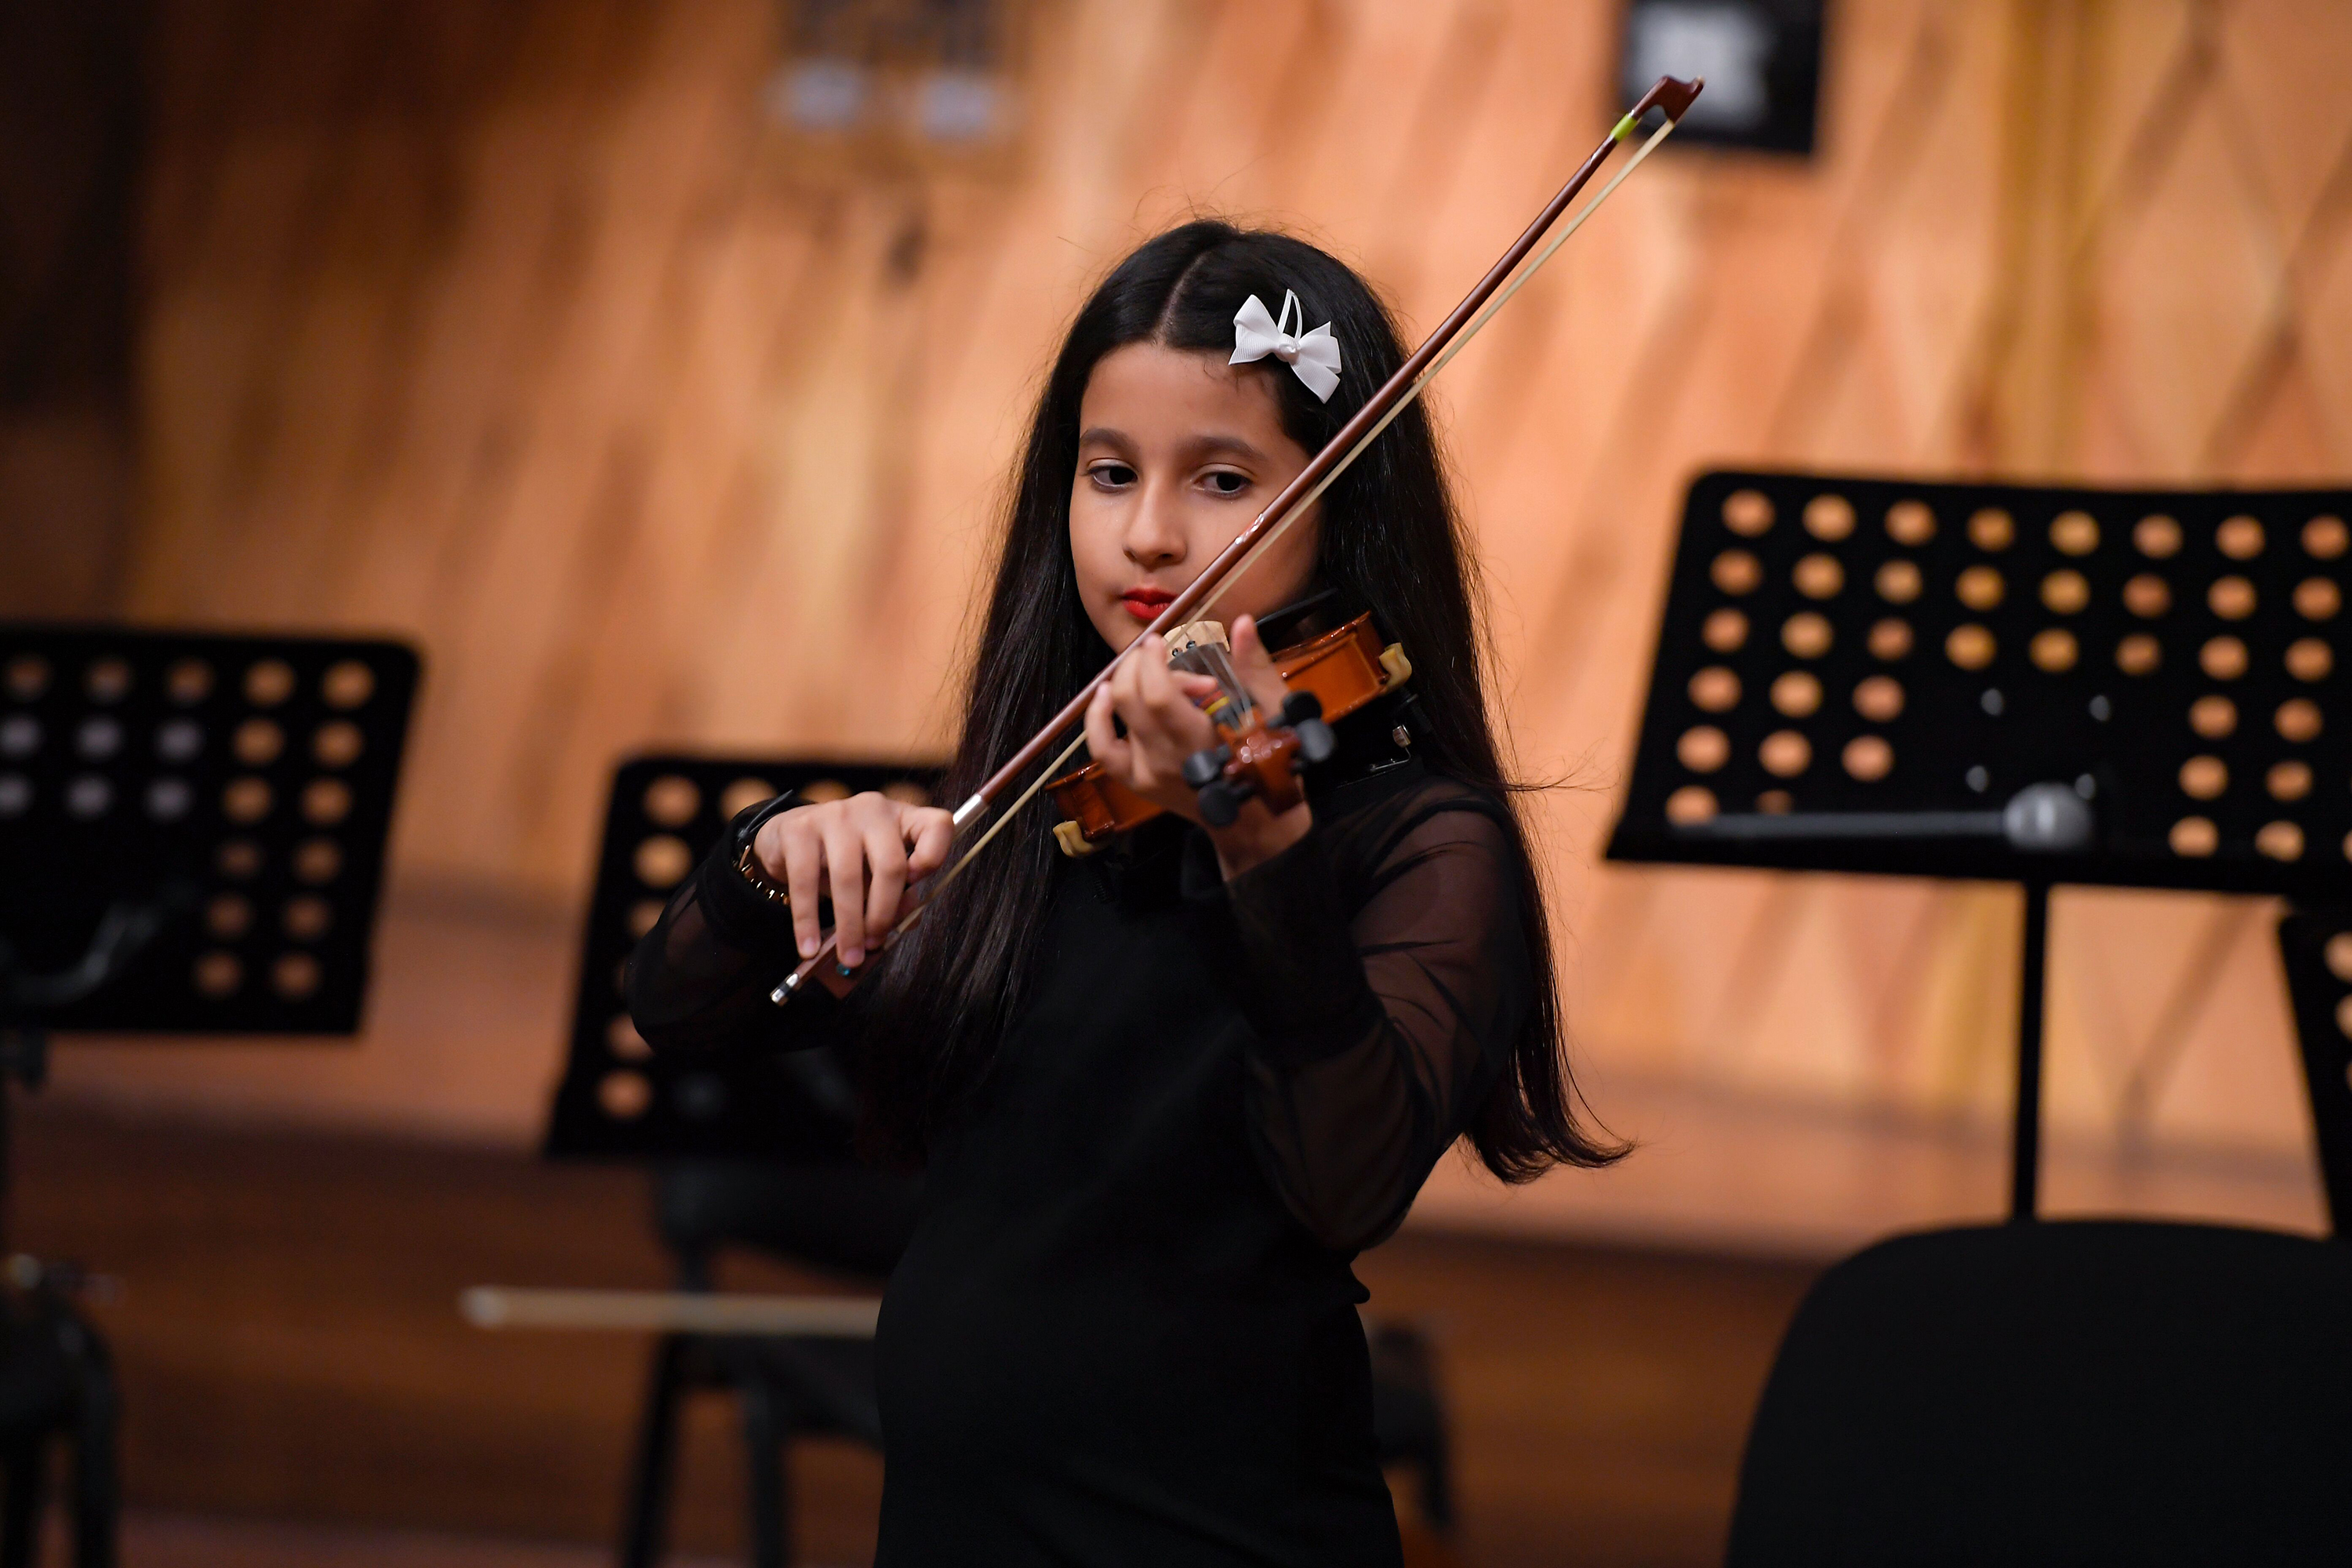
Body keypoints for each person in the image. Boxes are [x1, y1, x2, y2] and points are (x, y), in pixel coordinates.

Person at [626, 219, 1621, 1566]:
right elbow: (682, 1016)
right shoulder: (1050, 807)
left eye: (1222, 479)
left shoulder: (1419, 842)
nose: (1150, 536)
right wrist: (771, 858)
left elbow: (1345, 1180)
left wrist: (1260, 844)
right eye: (1108, 474)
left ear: (1339, 502)